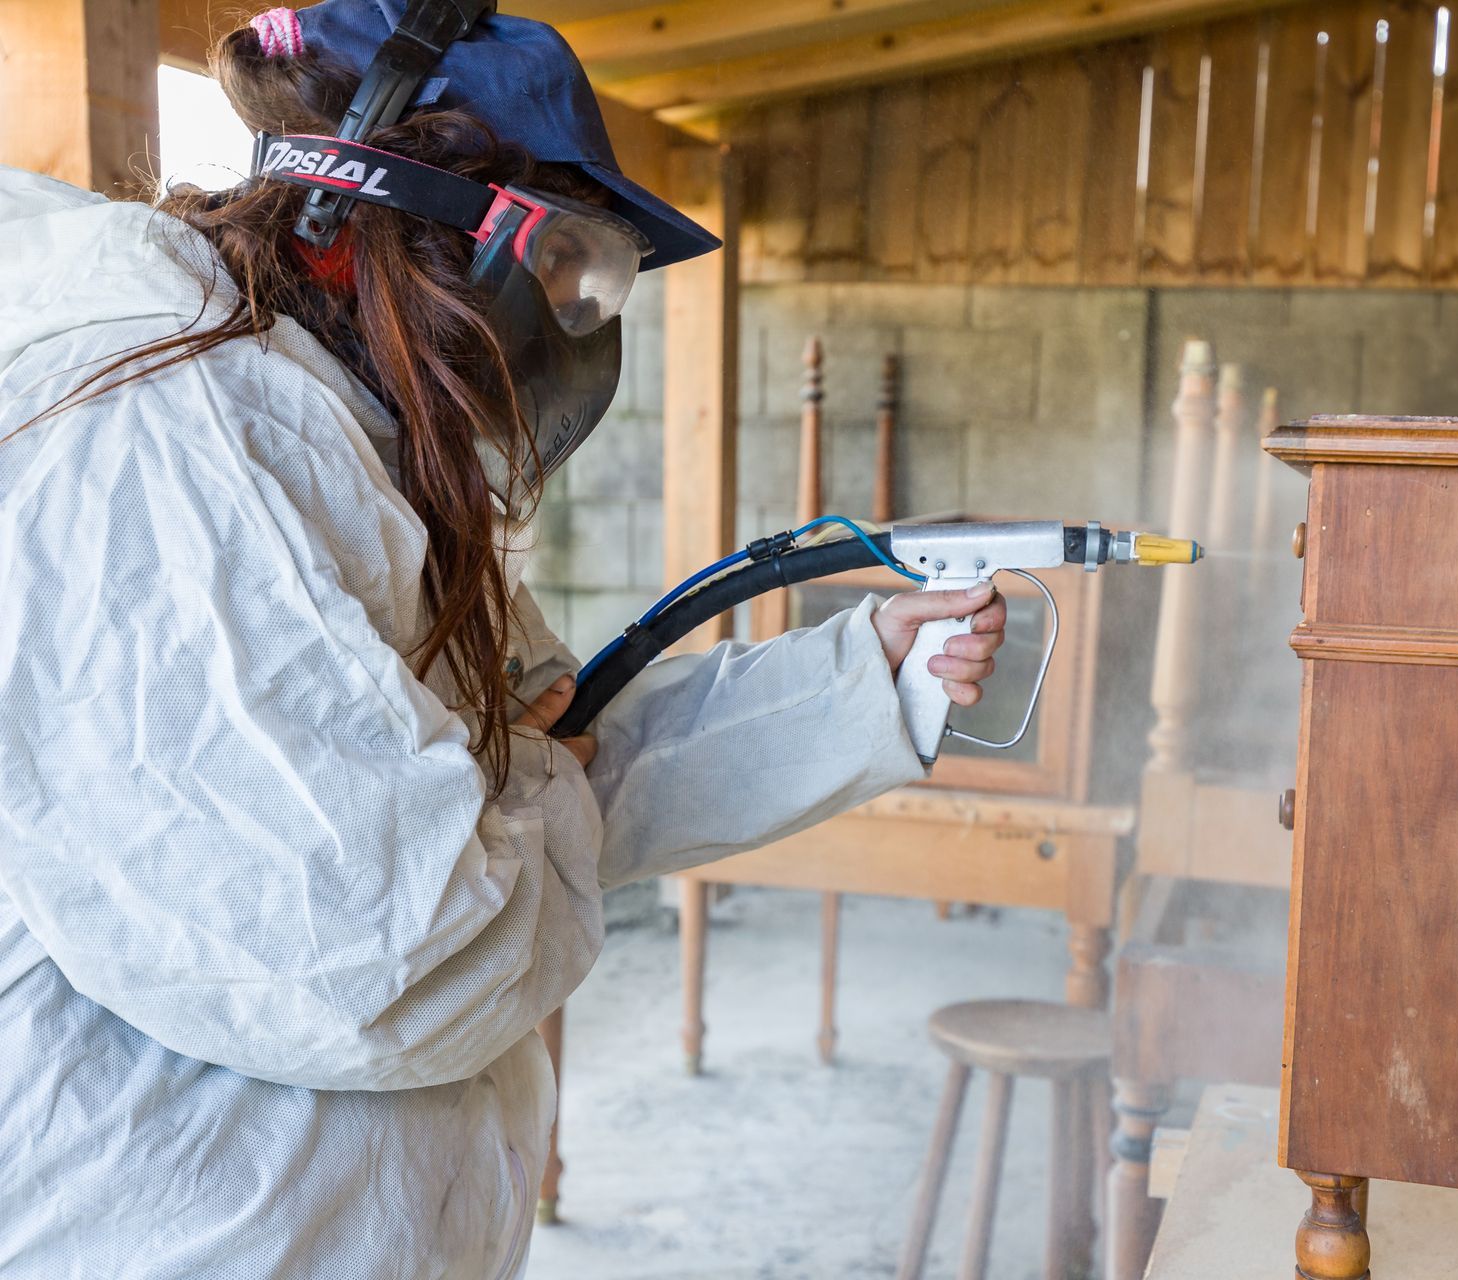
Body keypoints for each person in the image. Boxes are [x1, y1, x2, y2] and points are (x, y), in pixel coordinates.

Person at [0, 3, 1006, 1275]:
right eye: (565, 256)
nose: (568, 313)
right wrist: (522, 779)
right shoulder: (157, 440)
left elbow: (552, 760)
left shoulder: (346, 436)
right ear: (364, 211)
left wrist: (864, 673)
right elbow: (395, 955)